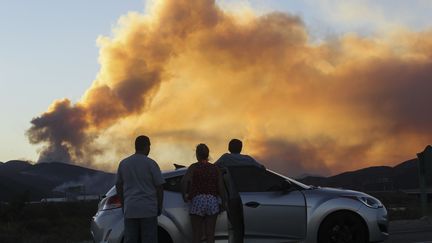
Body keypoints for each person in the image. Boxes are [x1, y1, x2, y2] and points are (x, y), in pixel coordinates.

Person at [116, 135, 165, 243]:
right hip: (148, 209)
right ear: (147, 146)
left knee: (130, 239)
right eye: (149, 146)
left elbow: (118, 185)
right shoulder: (151, 163)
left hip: (130, 209)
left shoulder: (124, 163)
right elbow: (159, 186)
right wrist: (159, 205)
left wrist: (124, 204)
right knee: (149, 239)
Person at [215, 139, 265, 243]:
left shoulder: (226, 158)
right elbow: (262, 168)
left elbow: (213, 168)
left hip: (232, 197)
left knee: (235, 226)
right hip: (248, 197)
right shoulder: (248, 159)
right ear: (241, 148)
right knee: (244, 226)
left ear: (229, 148)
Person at [181, 144, 226, 243]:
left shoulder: (193, 167)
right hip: (212, 201)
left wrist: (184, 195)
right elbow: (221, 187)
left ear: (197, 155)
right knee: (210, 234)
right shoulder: (215, 168)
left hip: (198, 200)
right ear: (208, 154)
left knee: (197, 234)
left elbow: (184, 181)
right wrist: (223, 202)